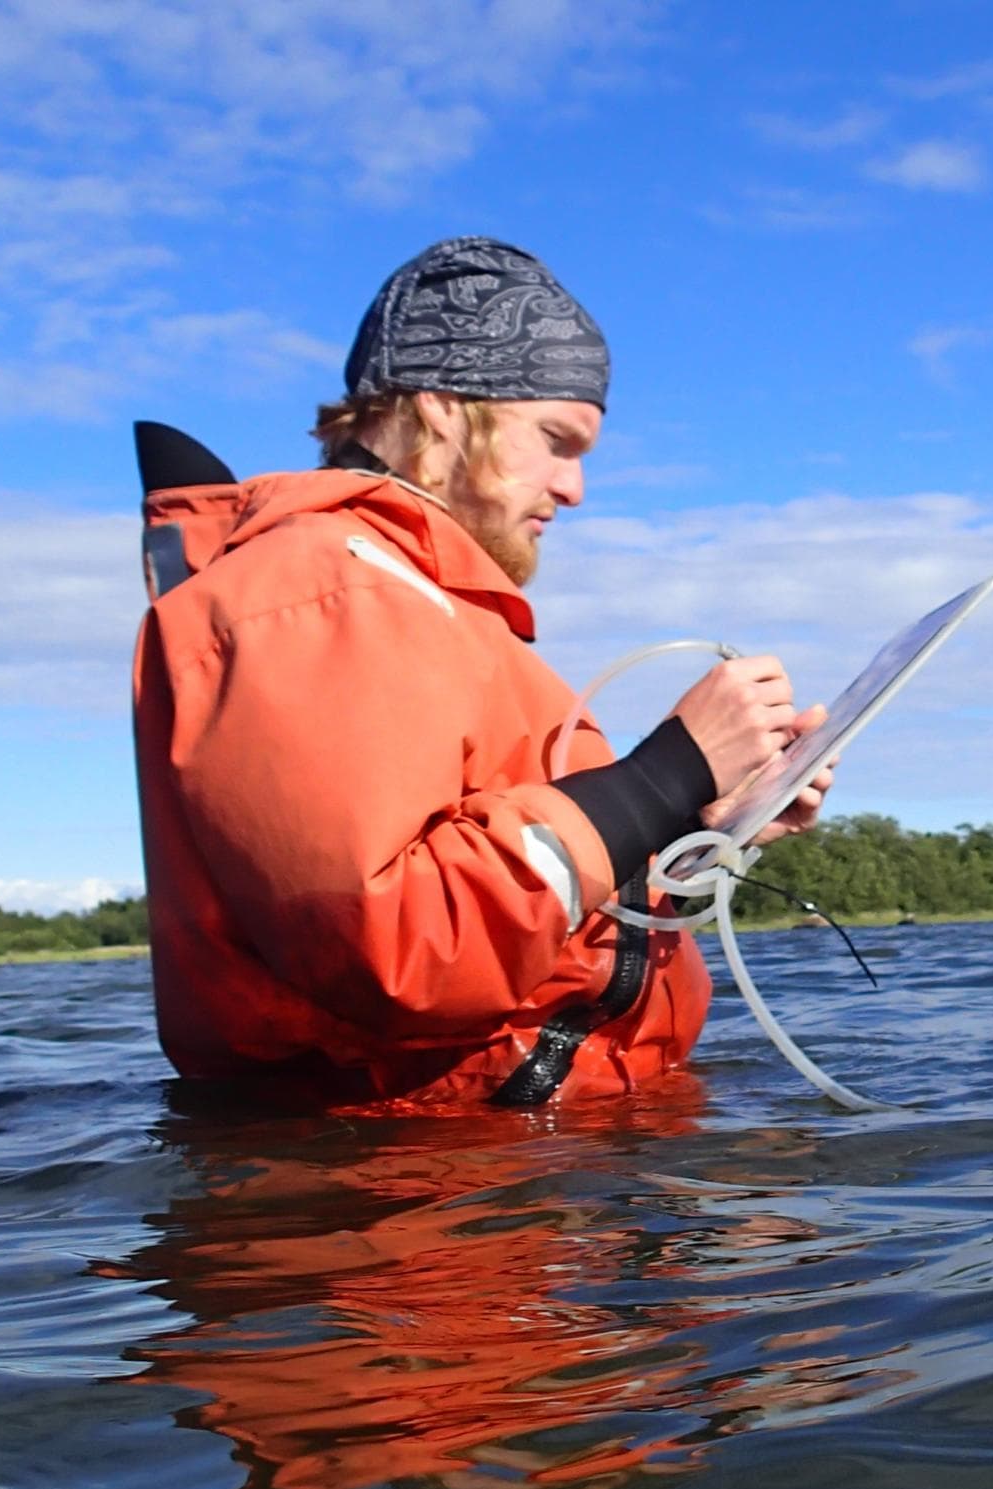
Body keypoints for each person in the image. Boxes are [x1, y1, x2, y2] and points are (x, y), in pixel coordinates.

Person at [131, 237, 830, 1106]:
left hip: (540, 1166)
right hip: (410, 1209)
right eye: (554, 440)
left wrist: (701, 818)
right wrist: (670, 771)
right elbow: (393, 945)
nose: (574, 488)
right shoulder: (317, 587)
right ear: (443, 410)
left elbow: (534, 923)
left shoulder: (419, 604)